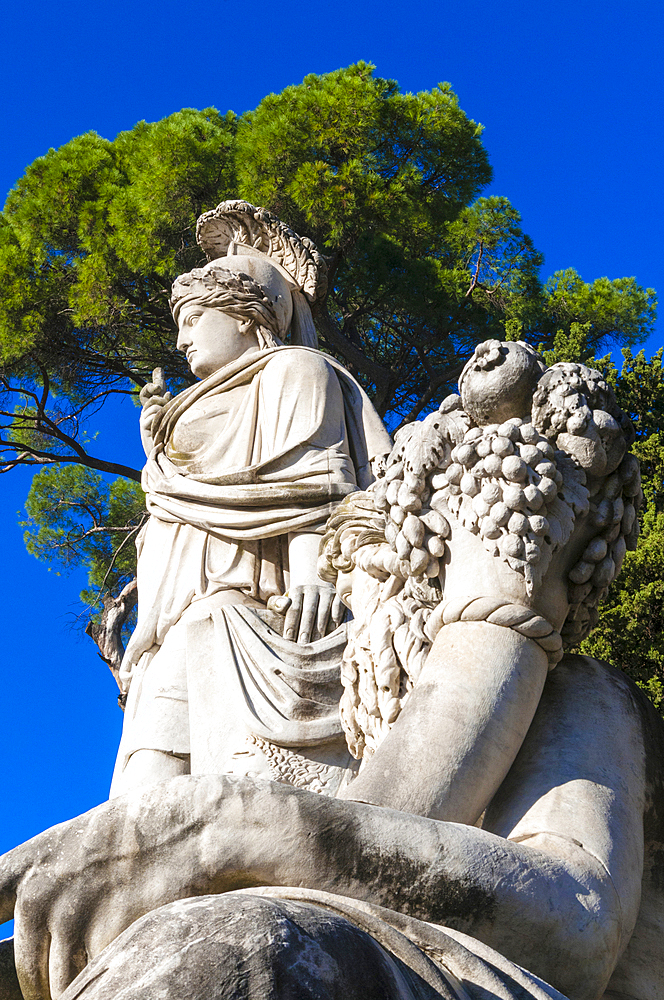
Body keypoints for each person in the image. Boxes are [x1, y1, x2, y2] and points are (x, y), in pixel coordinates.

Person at [109, 201, 391, 796]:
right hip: (181, 618)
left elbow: (315, 487)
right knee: (141, 792)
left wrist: (313, 573)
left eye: (194, 318)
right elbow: (172, 524)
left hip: (256, 605)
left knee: (232, 791)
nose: (182, 339)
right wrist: (157, 445)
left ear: (244, 315)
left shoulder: (295, 371)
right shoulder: (186, 411)